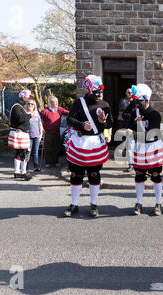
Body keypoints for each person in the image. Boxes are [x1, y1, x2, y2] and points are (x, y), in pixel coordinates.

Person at [64, 75, 112, 218]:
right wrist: (81, 124)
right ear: (90, 91)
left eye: (101, 93)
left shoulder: (105, 105)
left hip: (95, 143)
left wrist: (103, 122)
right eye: (97, 92)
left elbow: (110, 124)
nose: (99, 95)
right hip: (80, 143)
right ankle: (74, 204)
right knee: (76, 175)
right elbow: (69, 119)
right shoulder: (79, 103)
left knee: (94, 174)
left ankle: (94, 204)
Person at [126, 83, 163, 216]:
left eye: (139, 102)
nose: (137, 105)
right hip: (140, 147)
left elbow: (152, 133)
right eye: (136, 102)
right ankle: (139, 202)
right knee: (139, 175)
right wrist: (133, 124)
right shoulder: (135, 112)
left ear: (147, 100)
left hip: (153, 146)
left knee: (156, 175)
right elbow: (129, 126)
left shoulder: (155, 114)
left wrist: (135, 132)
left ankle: (158, 203)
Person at [8, 90, 33, 181]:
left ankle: (18, 172)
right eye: (27, 97)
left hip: (21, 133)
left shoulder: (19, 107)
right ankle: (22, 172)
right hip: (20, 133)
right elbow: (20, 119)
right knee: (23, 153)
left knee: (20, 153)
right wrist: (29, 115)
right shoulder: (17, 107)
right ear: (23, 97)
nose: (28, 99)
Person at [39, 95, 69, 168]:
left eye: (57, 102)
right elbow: (38, 119)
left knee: (56, 147)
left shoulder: (59, 109)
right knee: (48, 147)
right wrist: (41, 128)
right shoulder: (45, 111)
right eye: (54, 102)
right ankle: (48, 162)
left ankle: (55, 161)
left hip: (57, 131)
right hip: (48, 132)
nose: (56, 103)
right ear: (50, 103)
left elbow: (68, 113)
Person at [119, 89, 135, 172]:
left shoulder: (137, 102)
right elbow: (123, 112)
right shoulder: (123, 101)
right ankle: (130, 164)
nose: (130, 94)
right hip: (128, 125)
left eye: (132, 93)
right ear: (126, 93)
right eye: (129, 92)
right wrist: (132, 116)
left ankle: (137, 164)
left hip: (138, 128)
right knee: (129, 146)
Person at [27, 99, 44, 172]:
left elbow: (40, 124)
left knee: (36, 152)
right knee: (28, 152)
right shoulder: (25, 113)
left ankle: (36, 167)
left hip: (36, 135)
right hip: (28, 136)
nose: (30, 105)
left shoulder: (37, 113)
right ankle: (25, 168)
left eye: (32, 104)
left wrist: (41, 134)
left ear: (34, 106)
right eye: (28, 104)